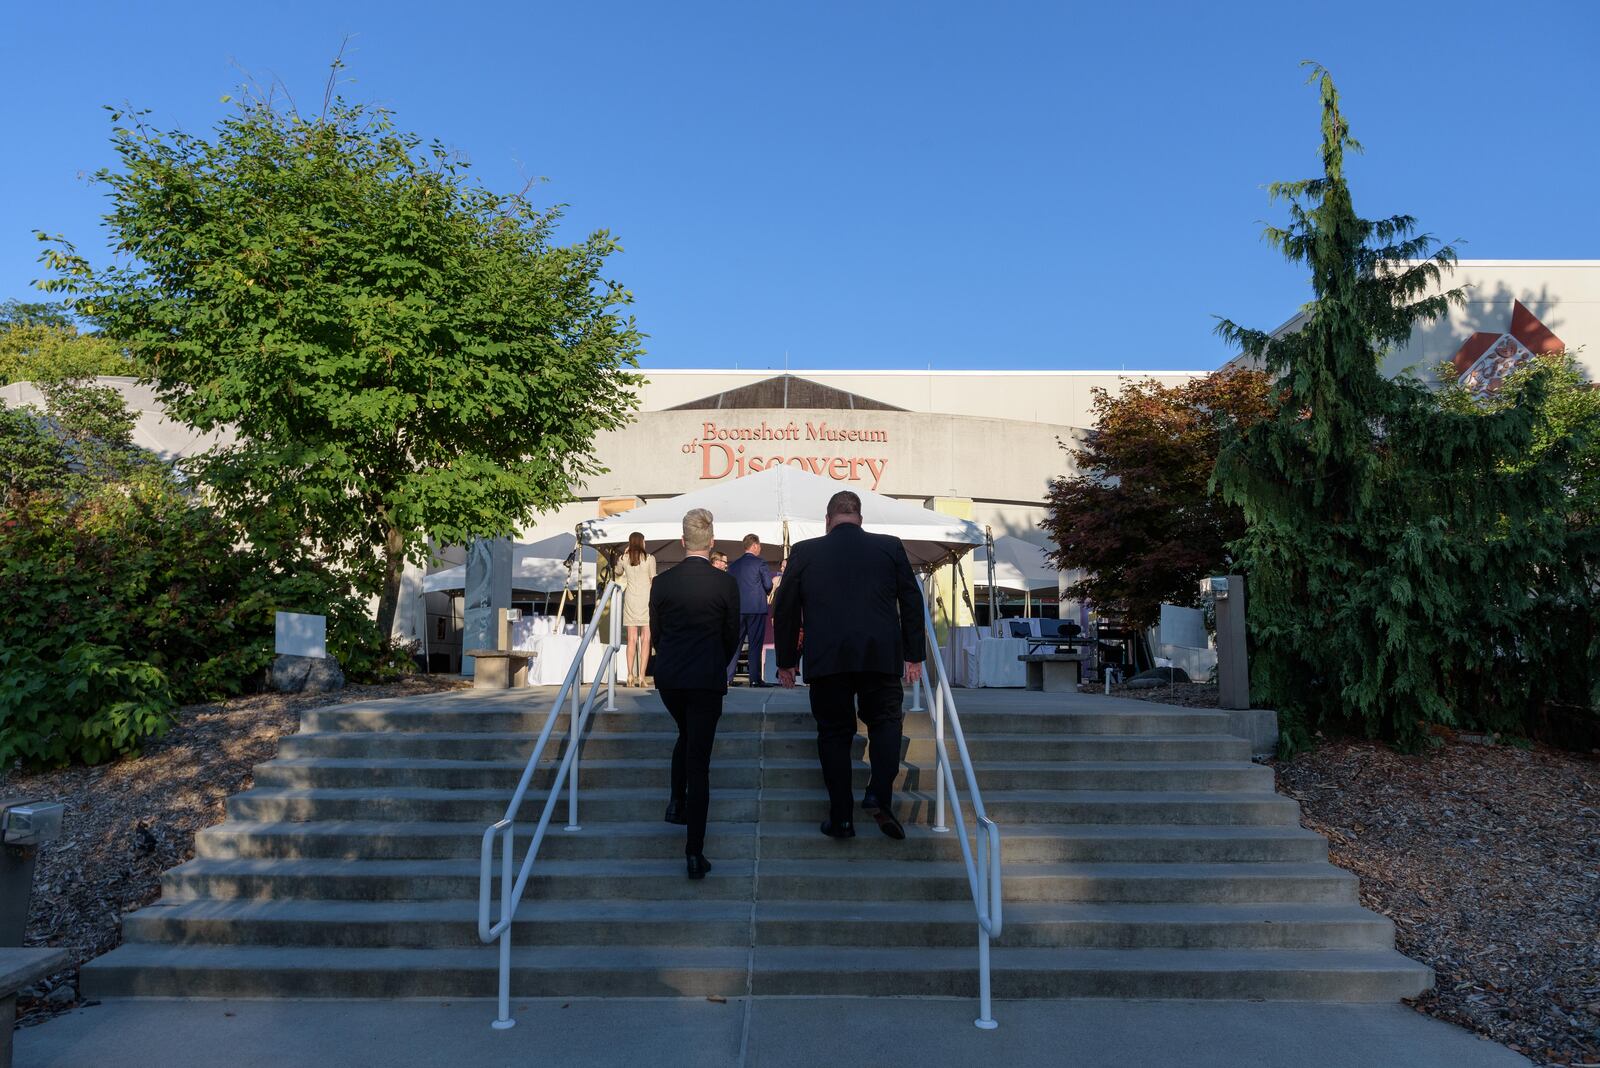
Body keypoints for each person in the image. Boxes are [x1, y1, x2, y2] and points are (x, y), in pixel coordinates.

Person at [773, 491, 924, 840]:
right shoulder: (890, 546)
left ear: (828, 520)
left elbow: (786, 608)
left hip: (828, 658)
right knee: (886, 723)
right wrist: (913, 654)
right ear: (859, 516)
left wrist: (786, 662)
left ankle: (841, 817)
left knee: (834, 734)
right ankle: (878, 795)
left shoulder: (806, 551)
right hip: (880, 656)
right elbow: (911, 600)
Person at [649, 508, 740, 879]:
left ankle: (675, 802)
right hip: (705, 675)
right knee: (698, 760)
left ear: (683, 541)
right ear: (712, 541)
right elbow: (731, 636)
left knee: (685, 734)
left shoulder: (662, 583)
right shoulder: (725, 584)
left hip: (670, 678)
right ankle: (694, 851)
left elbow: (656, 633)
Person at [725, 534, 775, 687]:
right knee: (755, 644)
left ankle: (728, 677)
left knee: (735, 644)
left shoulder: (733, 566)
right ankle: (754, 679)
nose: (760, 548)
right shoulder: (760, 563)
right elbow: (768, 585)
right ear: (754, 546)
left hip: (738, 609)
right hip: (756, 609)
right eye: (759, 545)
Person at [617, 532, 657, 688]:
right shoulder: (649, 558)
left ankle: (629, 674)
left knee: (631, 640)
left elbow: (618, 572)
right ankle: (641, 676)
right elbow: (653, 579)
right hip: (646, 601)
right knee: (646, 640)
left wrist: (624, 554)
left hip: (630, 600)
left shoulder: (624, 558)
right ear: (642, 542)